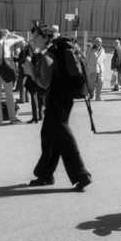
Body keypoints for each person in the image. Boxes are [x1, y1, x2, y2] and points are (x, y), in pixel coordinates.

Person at [27, 24, 92, 191]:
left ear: (45, 37)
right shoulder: (54, 50)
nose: (32, 41)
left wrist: (30, 72)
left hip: (57, 99)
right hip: (64, 97)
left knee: (62, 134)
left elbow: (44, 82)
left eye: (35, 38)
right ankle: (45, 174)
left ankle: (81, 175)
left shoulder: (49, 53)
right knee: (49, 135)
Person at [0, 29, 25, 125]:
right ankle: (12, 118)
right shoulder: (7, 42)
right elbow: (22, 39)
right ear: (4, 36)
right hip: (6, 70)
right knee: (9, 95)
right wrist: (11, 35)